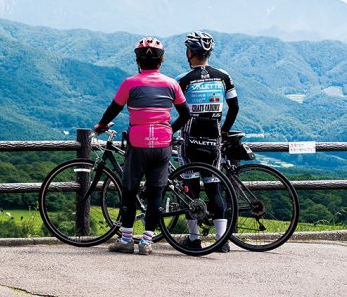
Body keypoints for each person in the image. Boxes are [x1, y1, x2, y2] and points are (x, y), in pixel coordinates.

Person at [93, 37, 190, 255]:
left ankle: (126, 240)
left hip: (138, 143)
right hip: (162, 144)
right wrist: (169, 130)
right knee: (156, 192)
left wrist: (101, 125)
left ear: (137, 60)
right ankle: (146, 242)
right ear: (161, 60)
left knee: (129, 191)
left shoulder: (130, 83)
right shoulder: (171, 84)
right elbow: (186, 114)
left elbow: (114, 109)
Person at [171, 30, 240, 252]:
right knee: (214, 189)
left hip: (190, 140)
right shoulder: (224, 76)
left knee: (190, 189)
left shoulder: (183, 80)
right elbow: (235, 107)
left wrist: (169, 131)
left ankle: (194, 239)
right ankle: (222, 241)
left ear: (191, 52)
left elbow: (181, 114)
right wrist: (225, 131)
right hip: (214, 139)